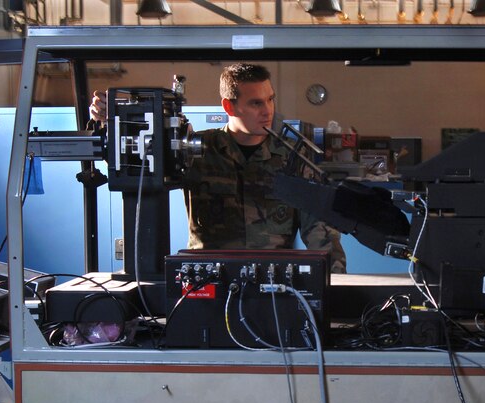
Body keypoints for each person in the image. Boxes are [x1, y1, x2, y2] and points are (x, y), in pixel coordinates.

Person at [90, 63, 346, 273]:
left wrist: (336, 283)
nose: (267, 110)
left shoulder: (293, 156)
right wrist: (106, 122)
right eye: (256, 103)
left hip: (272, 279)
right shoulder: (194, 151)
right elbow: (132, 163)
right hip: (207, 277)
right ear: (229, 106)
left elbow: (319, 226)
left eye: (270, 100)